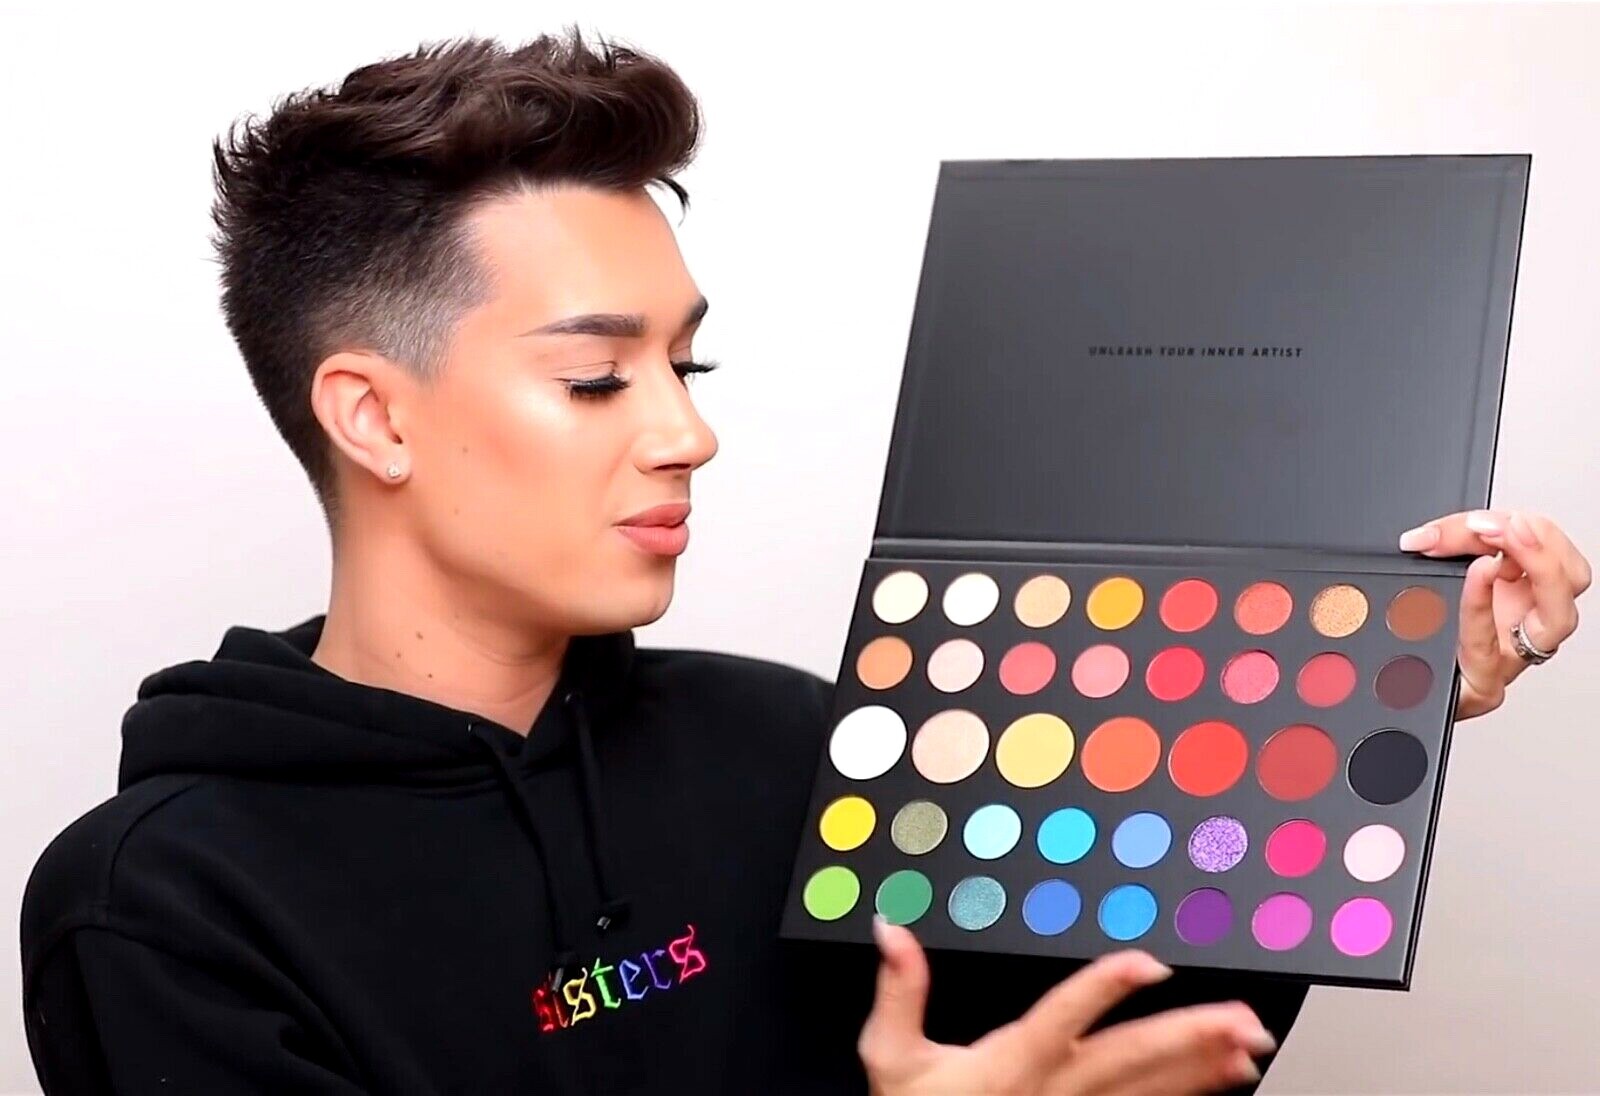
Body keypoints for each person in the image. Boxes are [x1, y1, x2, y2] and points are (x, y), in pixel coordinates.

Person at [20, 30, 1589, 1096]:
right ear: (374, 416)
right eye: (598, 377)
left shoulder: (790, 741)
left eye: (687, 366)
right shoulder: (161, 908)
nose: (688, 435)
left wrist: (1366, 691)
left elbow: (1129, 1031)